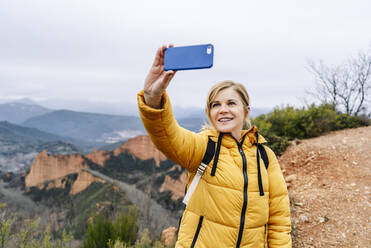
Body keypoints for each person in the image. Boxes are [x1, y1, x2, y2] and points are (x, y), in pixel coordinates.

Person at [137, 45, 292, 248]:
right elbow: (167, 135)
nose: (223, 110)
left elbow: (279, 220)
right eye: (215, 105)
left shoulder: (265, 156)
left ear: (246, 111)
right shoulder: (204, 147)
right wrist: (152, 96)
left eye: (231, 103)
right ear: (209, 112)